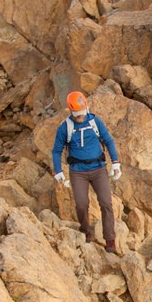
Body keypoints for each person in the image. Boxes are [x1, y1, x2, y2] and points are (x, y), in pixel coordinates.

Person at [52, 90, 122, 253]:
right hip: (78, 172)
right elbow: (57, 150)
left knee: (106, 203)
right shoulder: (65, 127)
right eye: (77, 114)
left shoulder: (95, 122)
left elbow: (108, 140)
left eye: (82, 113)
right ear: (71, 111)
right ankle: (86, 231)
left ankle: (110, 239)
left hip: (98, 169)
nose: (80, 117)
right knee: (82, 204)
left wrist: (116, 163)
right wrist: (58, 171)